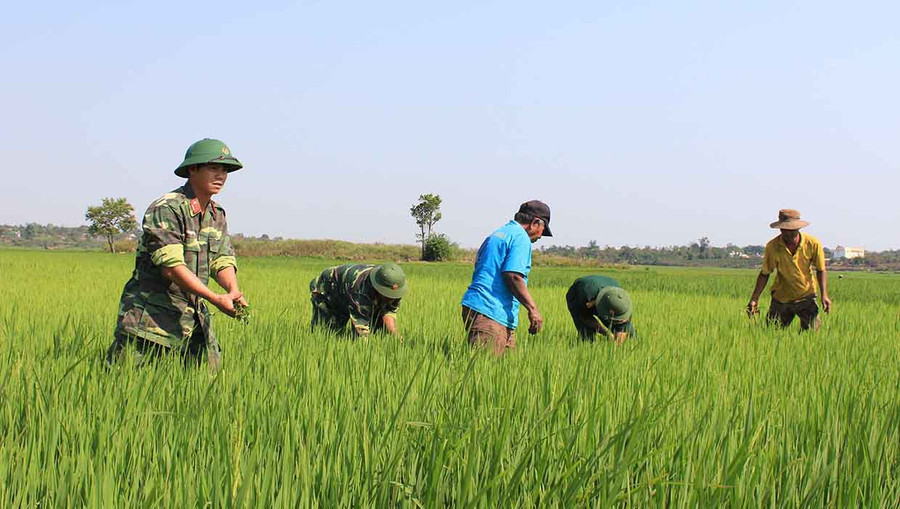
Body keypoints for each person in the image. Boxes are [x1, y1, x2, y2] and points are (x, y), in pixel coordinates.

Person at [106, 138, 248, 371]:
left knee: (200, 392)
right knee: (124, 393)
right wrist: (215, 299)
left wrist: (232, 291)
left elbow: (222, 260)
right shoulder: (168, 208)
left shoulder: (217, 213)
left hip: (192, 322)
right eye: (213, 167)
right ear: (192, 169)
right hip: (150, 324)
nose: (220, 175)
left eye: (225, 170)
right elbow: (171, 266)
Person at [460, 200, 552, 355]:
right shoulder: (521, 238)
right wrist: (533, 309)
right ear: (535, 223)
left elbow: (479, 264)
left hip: (480, 307)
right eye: (543, 230)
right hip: (490, 311)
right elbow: (513, 275)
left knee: (501, 372)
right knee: (484, 372)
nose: (541, 236)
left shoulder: (498, 234)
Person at [747, 209, 831, 330]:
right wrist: (754, 298)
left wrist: (824, 295)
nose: (788, 234)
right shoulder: (773, 246)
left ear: (798, 228)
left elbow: (821, 270)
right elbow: (765, 273)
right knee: (771, 334)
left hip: (806, 296)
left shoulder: (813, 244)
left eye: (792, 230)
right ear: (780, 229)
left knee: (812, 337)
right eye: (784, 230)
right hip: (781, 298)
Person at [309, 263, 407, 339]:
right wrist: (367, 354)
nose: (391, 299)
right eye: (387, 295)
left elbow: (389, 311)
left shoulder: (396, 289)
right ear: (378, 288)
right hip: (329, 290)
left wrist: (394, 333)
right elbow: (361, 327)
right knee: (327, 332)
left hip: (350, 291)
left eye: (392, 296)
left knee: (379, 332)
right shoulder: (360, 289)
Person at [566, 275, 636, 344]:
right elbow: (586, 318)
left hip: (607, 295)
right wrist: (607, 333)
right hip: (578, 294)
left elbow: (623, 325)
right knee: (587, 334)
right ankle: (588, 346)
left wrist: (617, 344)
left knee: (626, 330)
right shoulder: (585, 295)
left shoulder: (622, 301)